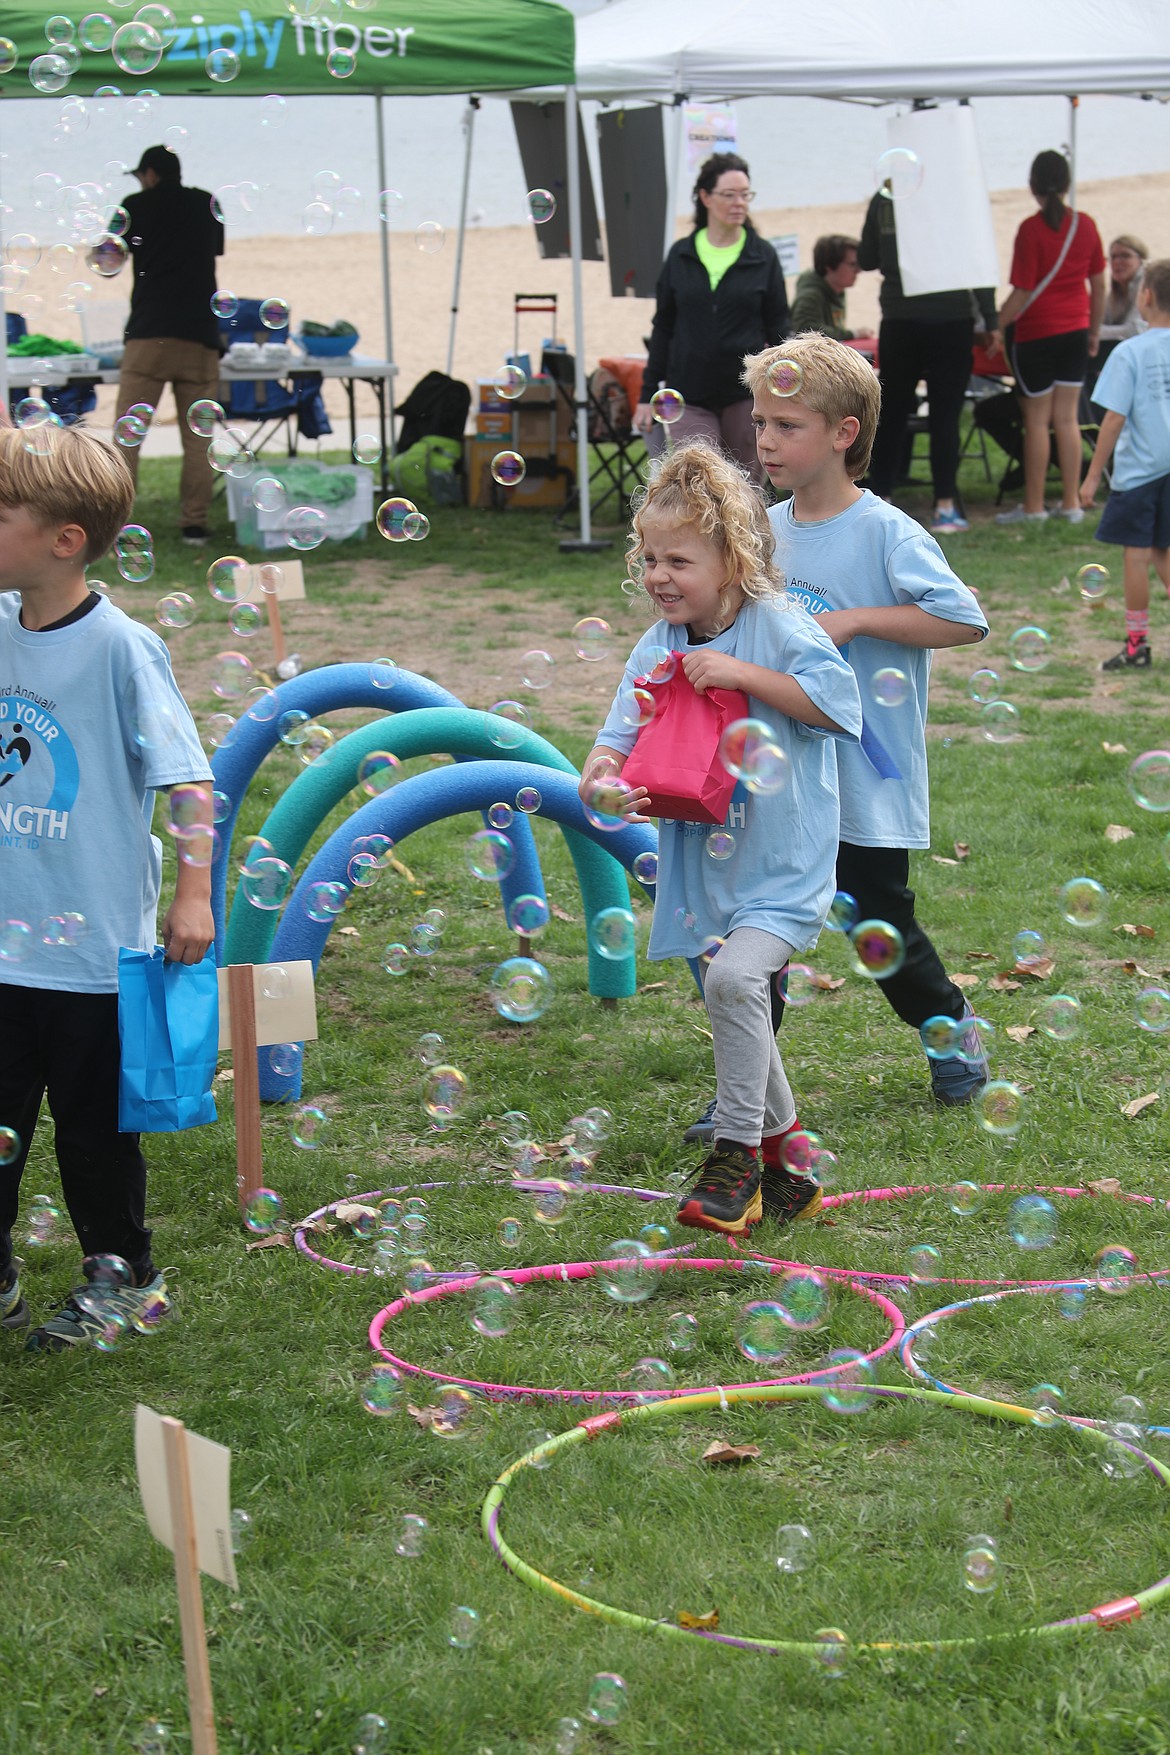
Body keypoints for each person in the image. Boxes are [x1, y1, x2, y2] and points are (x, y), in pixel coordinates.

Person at [683, 334, 990, 1149]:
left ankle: (951, 1026)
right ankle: (746, 1098)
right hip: (779, 770)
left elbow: (963, 618)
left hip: (865, 772)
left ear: (845, 432)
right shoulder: (761, 531)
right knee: (758, 925)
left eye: (788, 425)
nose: (766, 441)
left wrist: (854, 619)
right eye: (762, 423)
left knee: (876, 920)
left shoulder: (885, 533)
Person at [581, 441, 861, 1236]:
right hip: (703, 869)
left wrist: (743, 677)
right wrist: (603, 780)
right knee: (731, 996)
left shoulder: (779, 626)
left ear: (732, 562)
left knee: (736, 985)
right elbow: (611, 744)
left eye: (679, 559)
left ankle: (735, 1155)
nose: (659, 575)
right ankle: (791, 1163)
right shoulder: (655, 647)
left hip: (783, 862)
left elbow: (840, 709)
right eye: (649, 558)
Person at [0, 423, 214, 1352]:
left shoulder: (122, 650)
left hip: (90, 952)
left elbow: (190, 781)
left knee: (93, 1137)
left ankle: (121, 1276)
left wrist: (194, 896)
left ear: (63, 540)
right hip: (4, 945)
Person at [632, 155, 789, 485]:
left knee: (745, 491)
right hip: (688, 395)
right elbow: (663, 328)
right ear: (705, 197)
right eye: (729, 194)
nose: (739, 203)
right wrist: (647, 395)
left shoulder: (762, 256)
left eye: (746, 194)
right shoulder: (681, 255)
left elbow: (778, 330)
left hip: (745, 395)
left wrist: (782, 390)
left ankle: (748, 540)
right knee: (700, 485)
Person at [858, 187, 999, 536]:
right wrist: (991, 319)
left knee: (890, 412)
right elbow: (977, 261)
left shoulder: (887, 195)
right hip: (950, 318)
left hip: (901, 316)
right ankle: (945, 504)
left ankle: (884, 496)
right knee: (945, 415)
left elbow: (867, 257)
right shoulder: (956, 194)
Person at [113, 145, 225, 546]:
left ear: (152, 174)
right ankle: (193, 524)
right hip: (200, 335)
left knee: (128, 435)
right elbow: (210, 251)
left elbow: (111, 258)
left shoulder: (134, 205)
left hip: (148, 335)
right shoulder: (207, 203)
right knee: (198, 439)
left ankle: (113, 523)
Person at [995, 150, 1106, 527]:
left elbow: (1023, 290)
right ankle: (1072, 503)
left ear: (1032, 186)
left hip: (1037, 333)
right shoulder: (1086, 225)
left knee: (1038, 422)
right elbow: (1098, 282)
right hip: (1075, 328)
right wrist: (1094, 329)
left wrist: (997, 325)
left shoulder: (1031, 229)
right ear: (1068, 183)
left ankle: (1034, 506)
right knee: (1068, 419)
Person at [1079, 259, 1170, 670]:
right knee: (1164, 553)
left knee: (1137, 557)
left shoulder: (1131, 352)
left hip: (1141, 473)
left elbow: (1113, 418)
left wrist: (1093, 476)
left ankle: (1137, 647)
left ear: (1145, 296)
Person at [1086, 234, 1149, 402]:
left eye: (1125, 256)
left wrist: (1094, 332)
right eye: (1113, 257)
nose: (1117, 262)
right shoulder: (1117, 292)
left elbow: (1135, 329)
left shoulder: (1146, 285)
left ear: (1141, 259)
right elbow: (1102, 321)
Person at [789, 235, 874, 341]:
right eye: (852, 264)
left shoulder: (836, 289)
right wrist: (853, 334)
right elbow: (807, 331)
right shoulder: (811, 296)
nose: (858, 270)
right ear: (829, 266)